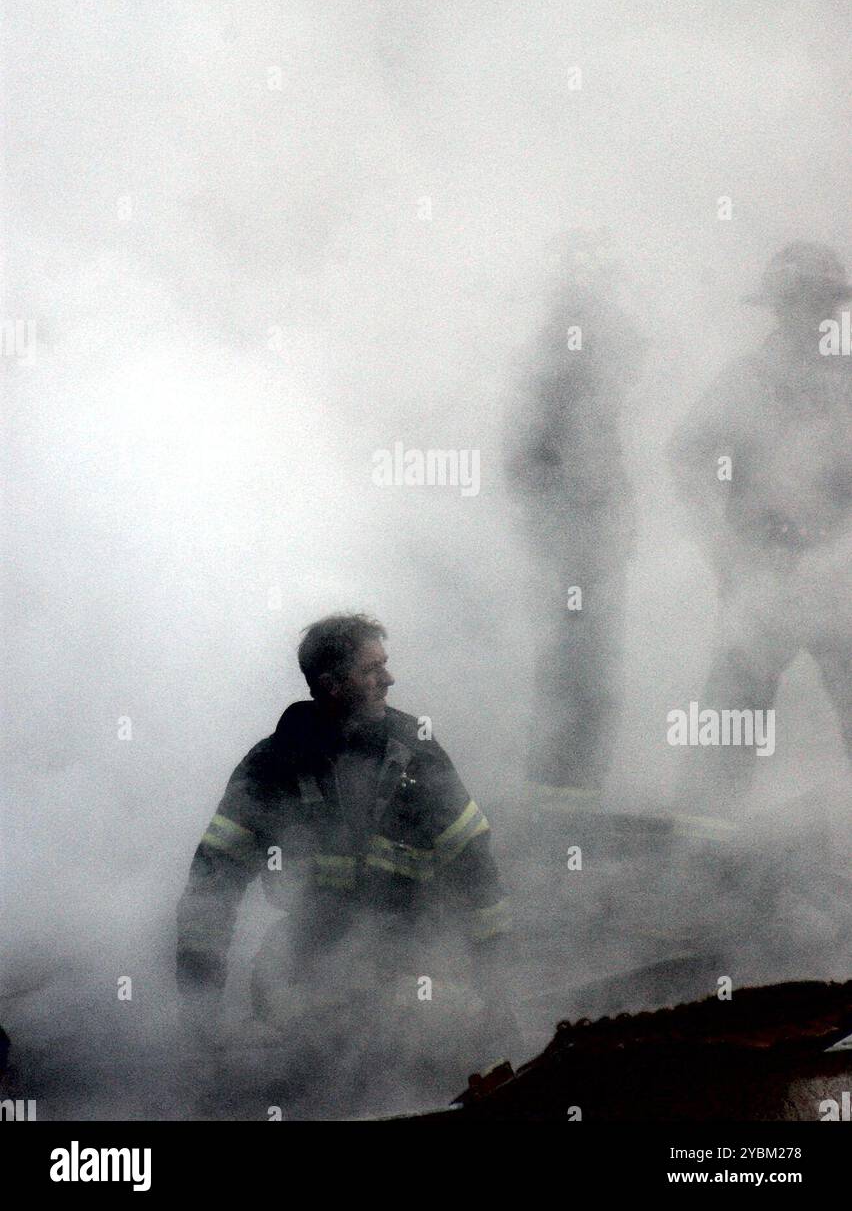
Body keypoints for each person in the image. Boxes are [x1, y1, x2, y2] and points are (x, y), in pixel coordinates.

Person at [175, 613, 514, 1104]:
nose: (389, 679)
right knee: (309, 1076)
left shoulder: (417, 754)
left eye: (386, 665)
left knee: (420, 1062)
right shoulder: (274, 766)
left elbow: (476, 869)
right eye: (371, 670)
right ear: (331, 685)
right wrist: (200, 1013)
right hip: (304, 963)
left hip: (414, 959)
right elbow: (211, 887)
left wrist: (495, 988)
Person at [667, 241, 852, 823]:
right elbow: (686, 453)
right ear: (780, 307)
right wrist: (723, 546)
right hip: (761, 574)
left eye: (827, 302)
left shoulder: (847, 380)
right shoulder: (746, 380)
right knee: (733, 712)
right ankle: (703, 845)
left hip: (839, 576)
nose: (819, 314)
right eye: (804, 301)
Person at [504, 232, 642, 805]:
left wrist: (616, 518)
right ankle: (560, 791)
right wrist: (556, 530)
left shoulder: (596, 356)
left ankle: (574, 787)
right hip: (574, 539)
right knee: (574, 662)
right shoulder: (560, 356)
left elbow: (600, 454)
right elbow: (525, 459)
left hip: (593, 536)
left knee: (589, 661)